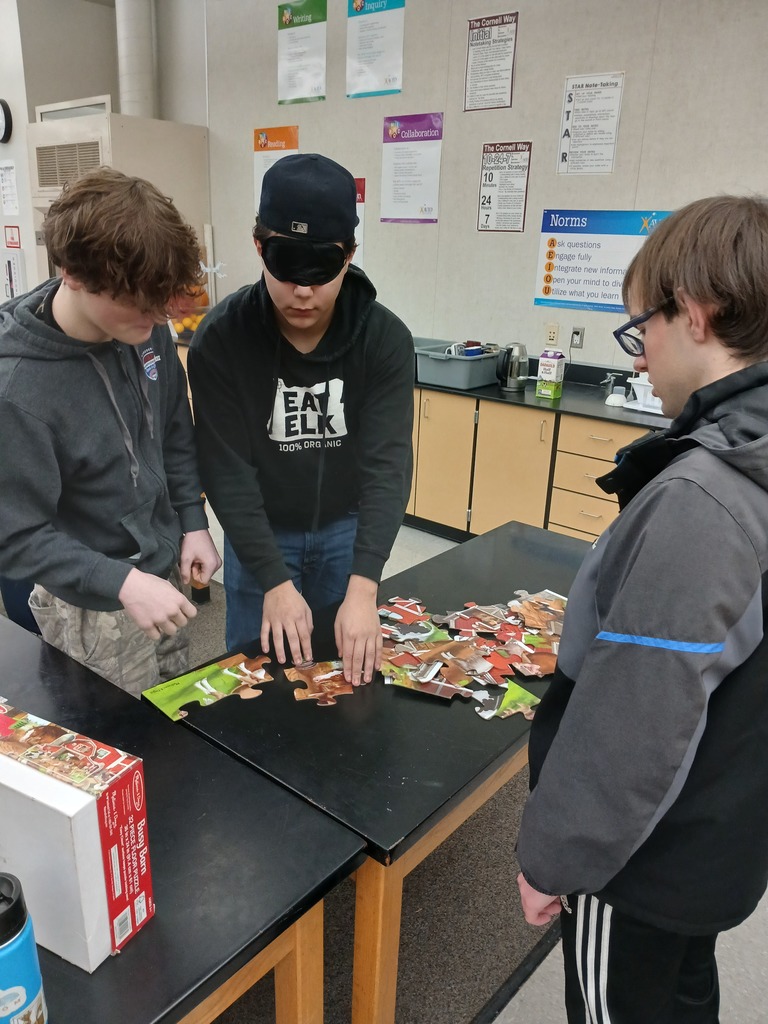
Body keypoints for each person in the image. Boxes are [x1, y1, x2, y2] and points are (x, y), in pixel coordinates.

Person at [516, 194, 768, 1023]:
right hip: (721, 832)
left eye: (641, 330)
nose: (640, 356)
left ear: (695, 314)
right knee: (680, 994)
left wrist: (555, 857)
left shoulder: (705, 500)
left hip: (643, 863)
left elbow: (637, 714)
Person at [188, 153, 414, 685]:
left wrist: (365, 586)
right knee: (256, 676)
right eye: (287, 267)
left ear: (350, 254)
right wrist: (272, 579)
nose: (304, 291)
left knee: (344, 676)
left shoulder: (385, 340)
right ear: (260, 247)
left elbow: (387, 466)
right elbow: (226, 469)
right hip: (260, 532)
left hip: (346, 530)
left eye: (321, 269)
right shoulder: (221, 339)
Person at [0, 167, 221, 696]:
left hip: (161, 570)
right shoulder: (18, 388)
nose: (158, 316)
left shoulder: (144, 328)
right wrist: (121, 583)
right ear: (72, 273)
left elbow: (172, 429)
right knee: (122, 745)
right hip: (89, 602)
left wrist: (193, 520)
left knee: (177, 715)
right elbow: (14, 536)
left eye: (161, 302)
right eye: (141, 303)